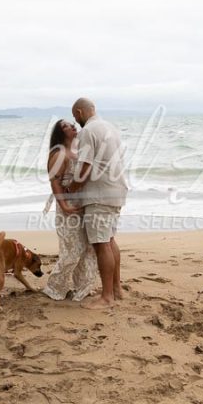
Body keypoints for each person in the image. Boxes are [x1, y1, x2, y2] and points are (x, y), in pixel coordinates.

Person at [68, 98, 129, 309]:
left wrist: (71, 189)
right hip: (117, 190)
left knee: (101, 244)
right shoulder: (111, 128)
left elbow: (84, 168)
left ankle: (106, 297)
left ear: (79, 112)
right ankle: (117, 290)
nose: (76, 122)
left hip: (100, 195)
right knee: (110, 240)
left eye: (75, 117)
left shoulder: (88, 131)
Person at [41, 119, 99, 302]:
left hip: (81, 204)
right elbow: (55, 182)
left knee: (87, 248)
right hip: (68, 206)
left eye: (72, 124)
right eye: (66, 126)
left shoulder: (77, 151)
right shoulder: (59, 153)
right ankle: (55, 287)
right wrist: (64, 206)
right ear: (60, 133)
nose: (72, 126)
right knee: (72, 250)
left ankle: (82, 287)